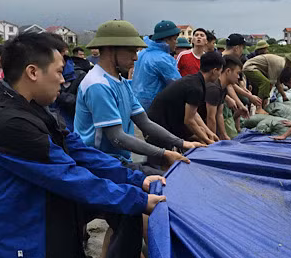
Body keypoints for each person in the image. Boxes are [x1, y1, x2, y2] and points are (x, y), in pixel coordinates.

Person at [0, 31, 167, 258]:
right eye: (59, 71)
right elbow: (69, 177)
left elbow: (81, 152)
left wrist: (136, 178)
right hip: (24, 254)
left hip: (37, 237)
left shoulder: (33, 110)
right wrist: (137, 198)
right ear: (33, 72)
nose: (64, 79)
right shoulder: (9, 124)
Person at [75, 20, 200, 169]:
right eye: (131, 51)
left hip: (116, 160)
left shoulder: (120, 82)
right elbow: (117, 137)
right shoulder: (98, 85)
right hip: (98, 162)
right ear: (110, 49)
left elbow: (144, 123)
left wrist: (181, 143)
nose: (135, 57)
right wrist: (164, 153)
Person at [147, 51, 225, 145]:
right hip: (158, 127)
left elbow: (194, 113)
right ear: (214, 70)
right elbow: (189, 121)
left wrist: (209, 132)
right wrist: (207, 141)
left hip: (161, 122)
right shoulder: (196, 88)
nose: (219, 76)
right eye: (220, 72)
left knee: (199, 133)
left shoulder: (194, 80)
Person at [133, 20, 182, 110]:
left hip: (137, 105)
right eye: (175, 39)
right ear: (166, 40)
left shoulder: (142, 53)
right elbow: (178, 86)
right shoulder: (162, 59)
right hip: (155, 107)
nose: (176, 43)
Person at [202, 56, 242, 141]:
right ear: (228, 71)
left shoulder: (223, 88)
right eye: (237, 73)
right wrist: (212, 141)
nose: (238, 77)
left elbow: (219, 114)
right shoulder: (214, 88)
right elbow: (210, 117)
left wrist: (224, 135)